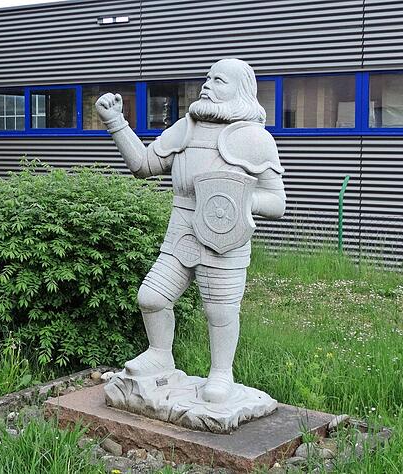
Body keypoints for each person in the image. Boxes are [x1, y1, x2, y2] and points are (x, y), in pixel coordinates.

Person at [96, 58, 286, 403]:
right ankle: (160, 354)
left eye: (219, 80)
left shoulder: (255, 138)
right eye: (208, 77)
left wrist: (241, 201)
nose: (207, 84)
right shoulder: (186, 128)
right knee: (151, 297)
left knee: (221, 311)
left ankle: (221, 373)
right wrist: (115, 123)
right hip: (181, 232)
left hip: (223, 240)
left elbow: (276, 201)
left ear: (240, 90)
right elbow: (143, 165)